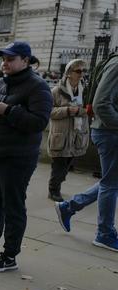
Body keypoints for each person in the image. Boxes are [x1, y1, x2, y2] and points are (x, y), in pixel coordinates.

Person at [0, 41, 53, 271]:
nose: (4, 63)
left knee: (13, 207)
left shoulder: (38, 87)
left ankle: (10, 256)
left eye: (10, 59)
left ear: (26, 61)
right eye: (3, 59)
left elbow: (39, 122)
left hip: (17, 159)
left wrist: (8, 110)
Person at [55, 53, 118, 251]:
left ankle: (69, 207)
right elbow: (101, 104)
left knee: (111, 181)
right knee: (111, 184)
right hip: (110, 133)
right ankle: (104, 234)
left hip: (110, 131)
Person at [46, 59, 89, 202]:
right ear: (69, 73)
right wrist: (68, 110)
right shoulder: (56, 91)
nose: (82, 74)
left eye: (84, 71)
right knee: (59, 164)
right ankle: (53, 190)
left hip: (77, 133)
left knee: (67, 164)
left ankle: (57, 184)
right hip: (61, 135)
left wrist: (83, 111)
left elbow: (89, 109)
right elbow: (48, 111)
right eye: (78, 71)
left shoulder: (85, 91)